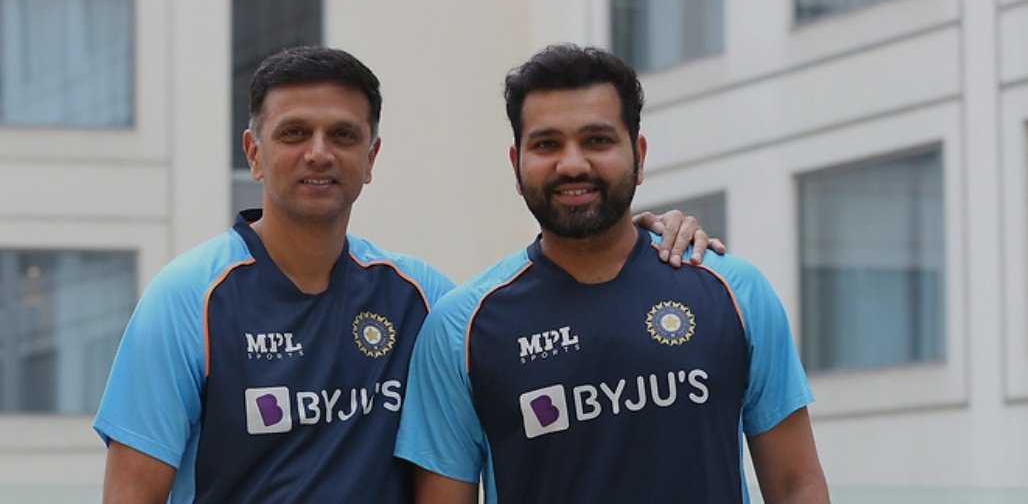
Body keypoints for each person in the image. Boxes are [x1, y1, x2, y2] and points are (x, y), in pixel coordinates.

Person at [92, 45, 722, 503]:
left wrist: (638, 239)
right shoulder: (187, 299)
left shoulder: (422, 299)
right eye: (294, 133)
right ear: (254, 153)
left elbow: (536, 295)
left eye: (343, 135)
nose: (319, 152)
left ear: (371, 157)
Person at [394, 44, 830, 503]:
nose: (572, 164)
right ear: (516, 166)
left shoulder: (734, 290)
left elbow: (795, 486)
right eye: (546, 144)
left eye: (597, 141)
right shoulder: (460, 327)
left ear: (638, 155)